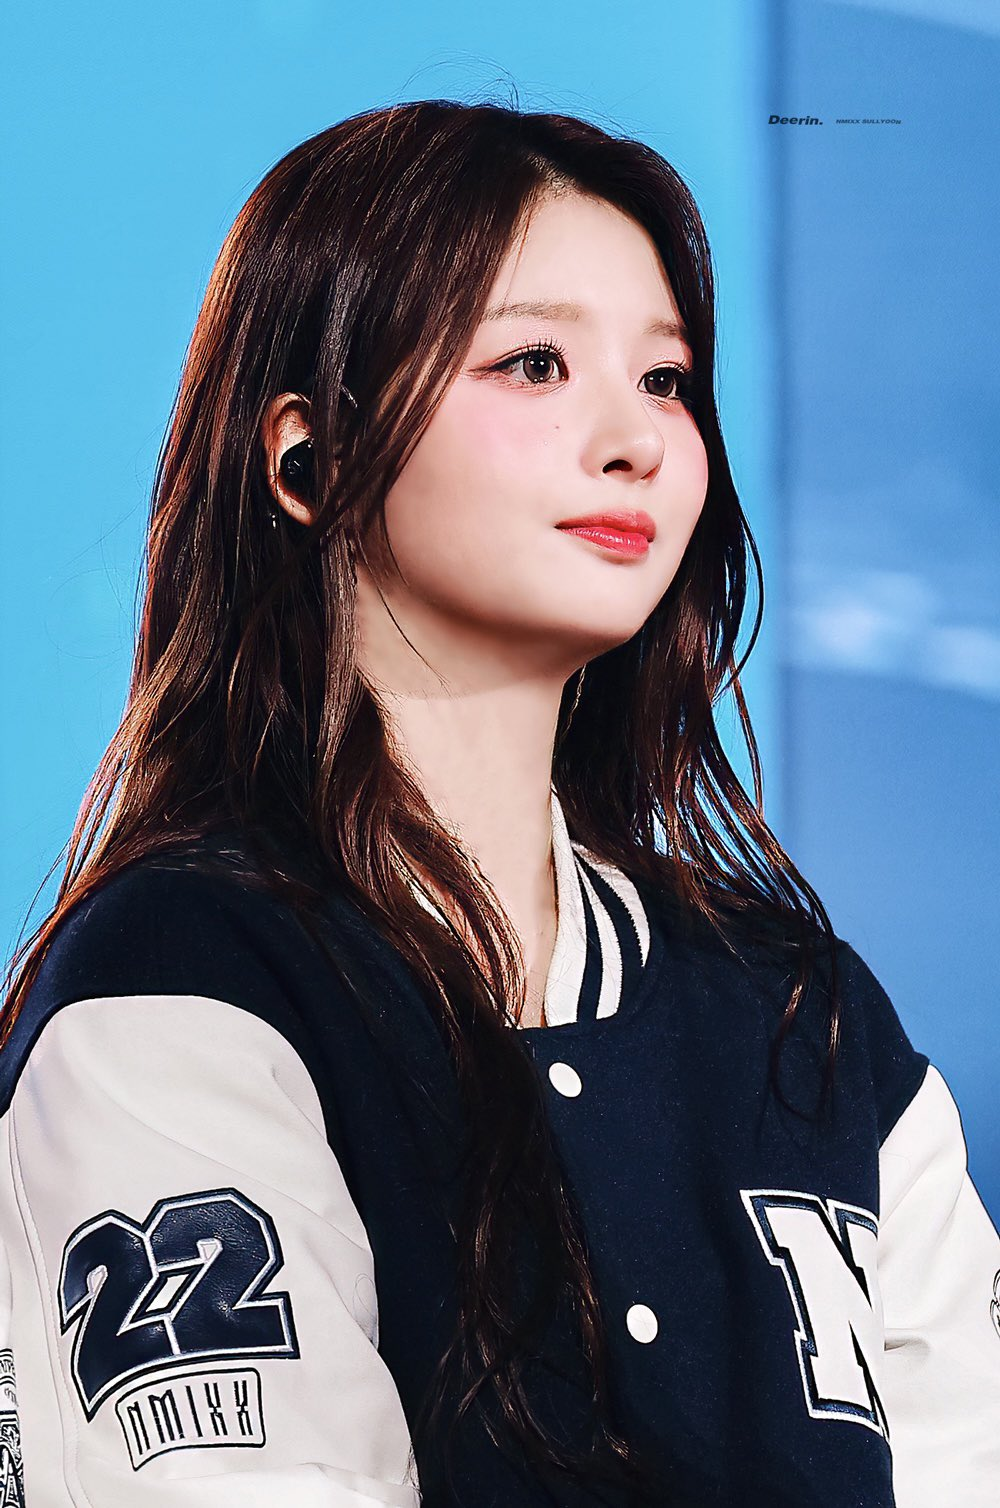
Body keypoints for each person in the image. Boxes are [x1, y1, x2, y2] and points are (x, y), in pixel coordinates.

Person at [1, 99, 997, 1508]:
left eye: (666, 379)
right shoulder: (181, 980)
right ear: (307, 457)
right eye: (534, 363)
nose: (636, 439)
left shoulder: (808, 1022)